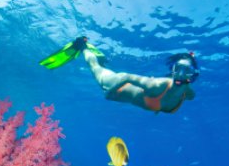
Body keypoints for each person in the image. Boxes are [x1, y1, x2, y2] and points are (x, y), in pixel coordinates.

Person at [39, 36, 199, 114]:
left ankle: (99, 58)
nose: (180, 75)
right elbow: (126, 77)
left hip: (124, 96)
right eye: (178, 69)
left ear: (193, 75)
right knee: (96, 69)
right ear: (172, 69)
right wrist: (110, 92)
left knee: (101, 66)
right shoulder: (157, 85)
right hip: (115, 85)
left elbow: (190, 94)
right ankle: (83, 47)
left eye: (187, 71)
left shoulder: (187, 91)